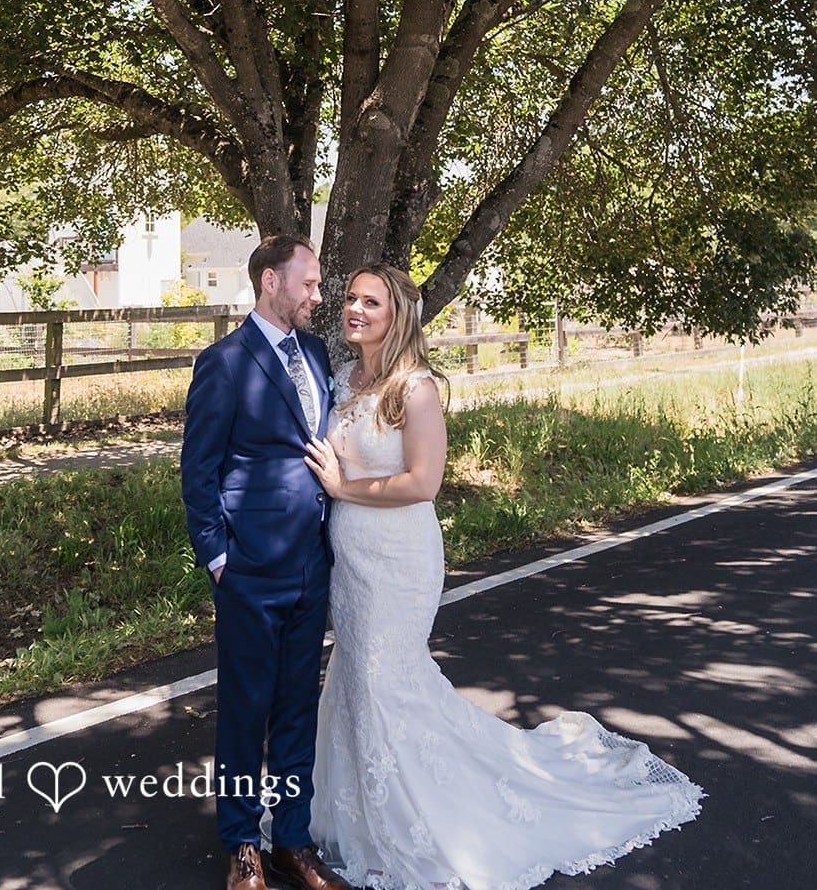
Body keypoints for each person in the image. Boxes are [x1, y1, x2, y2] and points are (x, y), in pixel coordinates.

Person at [304, 263, 704, 890]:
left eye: (370, 301)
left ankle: (420, 822)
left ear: (397, 315)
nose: (355, 309)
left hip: (399, 557)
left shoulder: (416, 388)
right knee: (356, 677)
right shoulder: (342, 378)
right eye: (351, 298)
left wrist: (342, 486)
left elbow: (422, 483)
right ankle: (360, 816)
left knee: (387, 679)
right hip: (349, 559)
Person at [181, 235, 357, 890]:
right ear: (269, 283)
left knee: (294, 708)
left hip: (311, 563)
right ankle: (240, 846)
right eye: (307, 284)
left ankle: (291, 842)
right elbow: (197, 472)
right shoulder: (223, 363)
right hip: (249, 570)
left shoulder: (313, 353)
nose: (318, 296)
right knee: (245, 709)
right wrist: (219, 558)